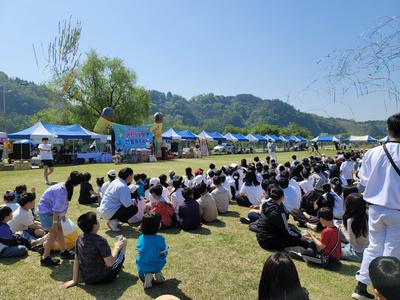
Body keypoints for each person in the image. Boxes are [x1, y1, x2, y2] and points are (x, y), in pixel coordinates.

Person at [352, 113, 400, 300]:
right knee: (392, 250)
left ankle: (361, 286)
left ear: (388, 131)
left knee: (373, 247)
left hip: (375, 207)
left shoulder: (373, 152)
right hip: (396, 210)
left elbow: (363, 180)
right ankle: (387, 293)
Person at [61, 212, 127, 288]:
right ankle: (118, 268)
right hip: (106, 277)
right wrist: (117, 246)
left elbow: (76, 258)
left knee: (111, 254)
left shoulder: (79, 239)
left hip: (87, 278)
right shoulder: (100, 241)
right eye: (97, 220)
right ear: (94, 226)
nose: (98, 220)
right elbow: (109, 263)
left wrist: (74, 280)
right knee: (123, 241)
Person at [38, 171, 82, 266]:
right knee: (53, 234)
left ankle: (64, 251)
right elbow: (56, 210)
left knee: (59, 231)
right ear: (77, 184)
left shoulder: (65, 185)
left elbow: (58, 208)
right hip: (47, 212)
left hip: (49, 211)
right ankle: (45, 258)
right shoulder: (62, 192)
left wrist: (62, 217)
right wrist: (54, 224)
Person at [256, 185, 310, 251]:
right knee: (302, 242)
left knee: (291, 230)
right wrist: (300, 236)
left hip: (261, 238)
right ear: (282, 197)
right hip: (269, 242)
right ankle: (294, 250)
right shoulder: (278, 211)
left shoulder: (266, 204)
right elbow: (287, 230)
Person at [97, 168, 138, 232]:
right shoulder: (123, 186)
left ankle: (115, 220)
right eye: (132, 175)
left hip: (103, 209)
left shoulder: (115, 181)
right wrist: (133, 201)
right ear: (129, 176)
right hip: (109, 212)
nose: (132, 177)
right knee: (133, 209)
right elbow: (127, 204)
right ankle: (113, 222)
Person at [136, 211, 168, 289]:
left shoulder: (140, 238)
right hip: (158, 264)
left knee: (140, 259)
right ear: (157, 226)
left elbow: (139, 251)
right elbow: (164, 252)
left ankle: (146, 276)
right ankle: (157, 273)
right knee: (160, 255)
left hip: (143, 266)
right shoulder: (160, 239)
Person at [340, 193, 368, 262]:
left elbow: (352, 241)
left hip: (357, 253)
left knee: (333, 250)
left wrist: (343, 230)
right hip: (367, 249)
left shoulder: (351, 220)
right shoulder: (367, 214)